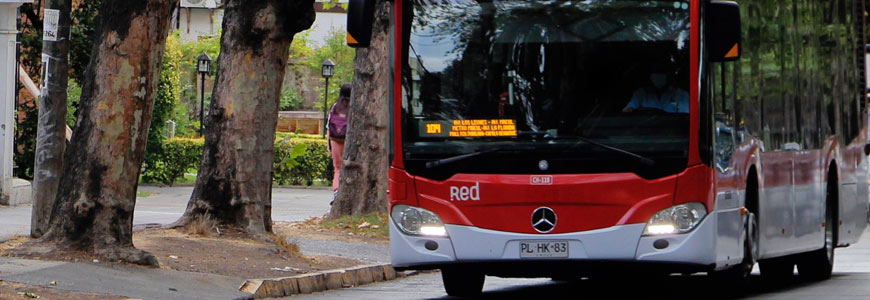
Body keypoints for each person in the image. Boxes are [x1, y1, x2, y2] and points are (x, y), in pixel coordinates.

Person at [328, 84, 352, 204]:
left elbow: (329, 125)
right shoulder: (354, 107)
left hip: (335, 140)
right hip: (349, 140)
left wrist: (329, 144)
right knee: (350, 167)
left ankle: (337, 192)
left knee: (337, 168)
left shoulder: (335, 107)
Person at [622, 72, 689, 113]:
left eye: (662, 71)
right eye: (656, 71)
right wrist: (629, 110)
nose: (659, 75)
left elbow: (685, 116)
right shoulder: (641, 94)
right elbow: (629, 109)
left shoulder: (681, 95)